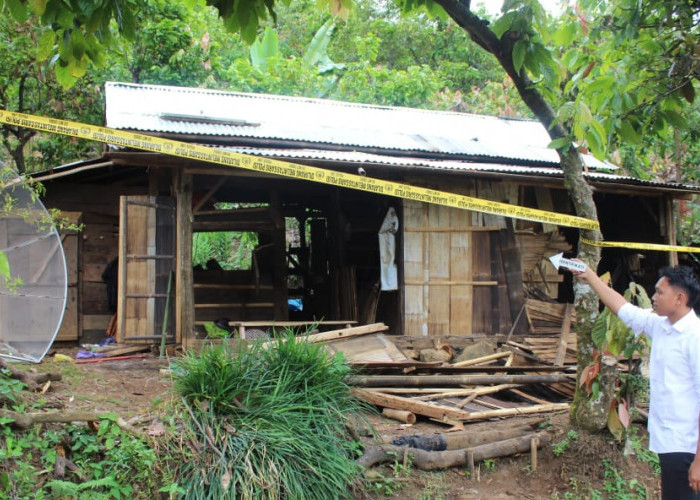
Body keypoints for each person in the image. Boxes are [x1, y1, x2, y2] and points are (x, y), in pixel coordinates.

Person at [575, 263, 700, 499]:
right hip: (670, 441)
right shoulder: (662, 326)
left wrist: (699, 461)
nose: (652, 297)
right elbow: (623, 308)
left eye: (660, 292)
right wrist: (590, 275)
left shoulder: (694, 338)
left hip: (687, 445)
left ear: (680, 298)